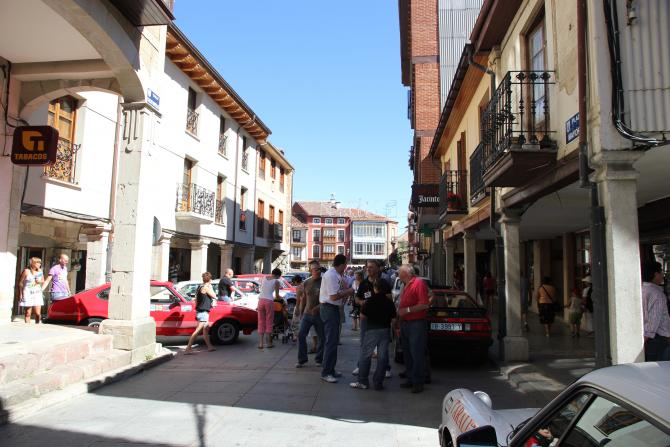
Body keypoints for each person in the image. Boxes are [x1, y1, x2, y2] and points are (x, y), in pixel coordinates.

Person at [350, 278, 397, 391]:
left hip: (371, 330)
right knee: (382, 357)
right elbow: (394, 319)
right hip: (385, 330)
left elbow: (362, 316)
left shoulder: (370, 301)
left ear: (375, 288)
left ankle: (363, 381)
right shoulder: (389, 302)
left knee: (365, 356)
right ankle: (378, 382)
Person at [352, 260, 392, 377]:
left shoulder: (383, 283)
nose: (368, 269)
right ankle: (361, 366)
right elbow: (357, 298)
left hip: (381, 319)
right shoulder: (363, 283)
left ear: (377, 269)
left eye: (371, 267)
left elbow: (390, 297)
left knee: (382, 346)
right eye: (367, 267)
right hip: (366, 318)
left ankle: (385, 368)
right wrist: (361, 302)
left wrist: (377, 299)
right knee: (364, 342)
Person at [319, 254, 354, 383]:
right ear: (342, 264)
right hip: (329, 308)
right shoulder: (331, 275)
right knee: (331, 341)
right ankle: (326, 372)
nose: (346, 267)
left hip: (332, 309)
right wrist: (348, 291)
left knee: (333, 341)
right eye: (345, 264)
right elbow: (333, 296)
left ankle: (331, 369)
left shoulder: (337, 275)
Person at [397, 264, 430, 393]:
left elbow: (424, 304)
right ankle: (411, 378)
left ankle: (418, 382)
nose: (398, 274)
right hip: (406, 323)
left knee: (416, 354)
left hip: (416, 323)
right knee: (407, 353)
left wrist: (407, 310)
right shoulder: (406, 284)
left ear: (406, 273)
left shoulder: (418, 283)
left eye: (399, 272)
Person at [296, 261, 324, 367]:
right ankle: (302, 359)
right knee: (301, 335)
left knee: (322, 338)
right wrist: (301, 312)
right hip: (307, 315)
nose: (318, 271)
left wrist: (318, 307)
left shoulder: (324, 282)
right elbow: (303, 299)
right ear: (310, 270)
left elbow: (327, 299)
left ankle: (319, 359)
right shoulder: (306, 282)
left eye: (319, 269)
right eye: (315, 269)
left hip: (320, 315)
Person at [641, 261, 670, 361]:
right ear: (655, 274)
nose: (662, 275)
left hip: (646, 338)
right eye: (661, 272)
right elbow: (652, 322)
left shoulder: (641, 289)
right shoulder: (657, 294)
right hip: (656, 339)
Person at [184, 272, 217, 354]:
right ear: (210, 280)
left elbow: (197, 299)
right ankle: (188, 348)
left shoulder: (200, 287)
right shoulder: (206, 288)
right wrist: (210, 287)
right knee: (197, 331)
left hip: (201, 311)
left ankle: (209, 347)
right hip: (203, 312)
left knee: (205, 330)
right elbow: (214, 295)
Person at [257, 268, 282, 349]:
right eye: (279, 276)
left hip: (261, 300)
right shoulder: (276, 281)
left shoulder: (264, 278)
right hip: (269, 301)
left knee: (261, 321)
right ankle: (268, 343)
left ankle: (261, 343)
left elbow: (262, 289)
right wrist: (282, 299)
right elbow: (277, 296)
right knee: (269, 321)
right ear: (277, 275)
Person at [18, 257, 45, 324]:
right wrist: (20, 294)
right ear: (33, 263)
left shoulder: (40, 271)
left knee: (38, 313)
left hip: (37, 293)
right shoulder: (26, 271)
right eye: (37, 262)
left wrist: (39, 281)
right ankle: (27, 327)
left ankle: (37, 326)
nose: (39, 264)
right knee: (28, 313)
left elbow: (43, 281)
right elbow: (20, 283)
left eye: (40, 263)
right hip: (28, 293)